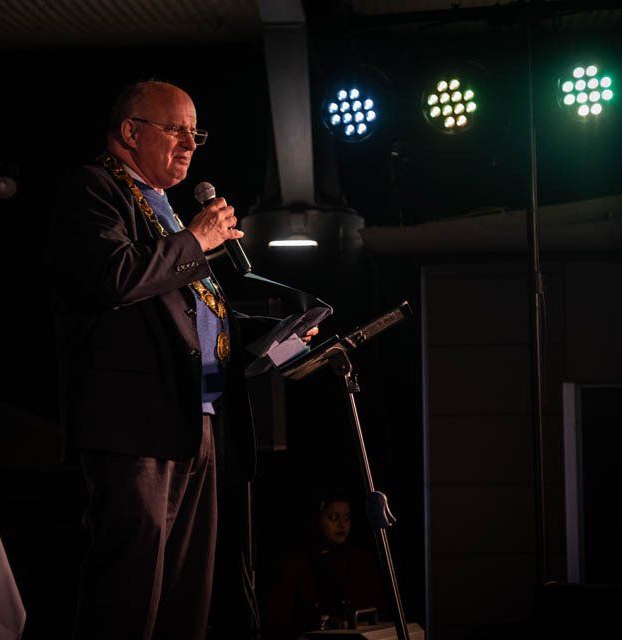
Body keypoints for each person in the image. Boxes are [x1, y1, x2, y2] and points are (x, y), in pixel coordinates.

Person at [47, 80, 315, 640]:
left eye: (196, 133)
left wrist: (279, 334)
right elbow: (115, 279)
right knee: (130, 582)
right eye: (176, 130)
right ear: (130, 132)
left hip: (201, 416)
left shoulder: (164, 208)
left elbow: (193, 316)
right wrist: (196, 240)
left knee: (189, 587)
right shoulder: (95, 188)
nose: (190, 144)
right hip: (137, 422)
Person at [262, 493, 386, 640]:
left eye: (347, 517)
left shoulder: (360, 558)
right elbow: (279, 620)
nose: (342, 524)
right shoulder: (295, 561)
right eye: (333, 517)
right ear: (316, 519)